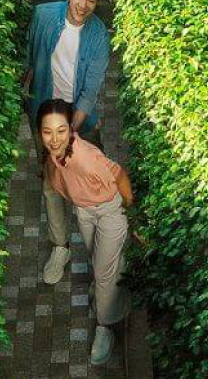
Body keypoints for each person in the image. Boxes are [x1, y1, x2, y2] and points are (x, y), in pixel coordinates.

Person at [24, 0, 111, 289]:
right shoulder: (43, 16)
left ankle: (98, 252)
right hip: (46, 115)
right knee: (51, 185)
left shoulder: (99, 35)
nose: (82, 5)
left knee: (90, 188)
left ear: (98, 2)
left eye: (91, 0)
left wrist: (70, 134)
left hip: (78, 121)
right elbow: (28, 59)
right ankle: (60, 247)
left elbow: (90, 92)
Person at [36, 98, 134, 365]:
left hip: (109, 210)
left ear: (71, 129)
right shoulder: (54, 154)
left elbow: (119, 175)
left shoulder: (86, 157)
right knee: (97, 260)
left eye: (61, 130)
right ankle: (113, 288)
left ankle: (106, 325)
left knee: (102, 273)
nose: (54, 139)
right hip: (85, 210)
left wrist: (130, 211)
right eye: (47, 132)